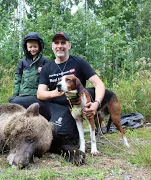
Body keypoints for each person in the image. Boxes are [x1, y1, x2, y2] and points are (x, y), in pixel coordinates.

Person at [37, 32, 106, 162]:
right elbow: (40, 94)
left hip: (74, 106)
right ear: (52, 46)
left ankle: (76, 139)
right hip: (55, 105)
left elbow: (99, 83)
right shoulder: (47, 67)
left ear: (69, 46)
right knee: (22, 101)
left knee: (61, 134)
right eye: (56, 43)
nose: (60, 46)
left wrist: (96, 103)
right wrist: (55, 93)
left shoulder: (79, 62)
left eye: (63, 43)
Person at [8, 32, 51, 120]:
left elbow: (50, 79)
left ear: (40, 47)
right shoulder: (23, 62)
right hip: (23, 94)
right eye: (30, 47)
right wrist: (15, 95)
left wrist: (44, 71)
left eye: (35, 46)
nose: (33, 49)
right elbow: (17, 79)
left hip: (37, 95)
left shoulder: (44, 61)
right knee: (14, 105)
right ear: (26, 48)